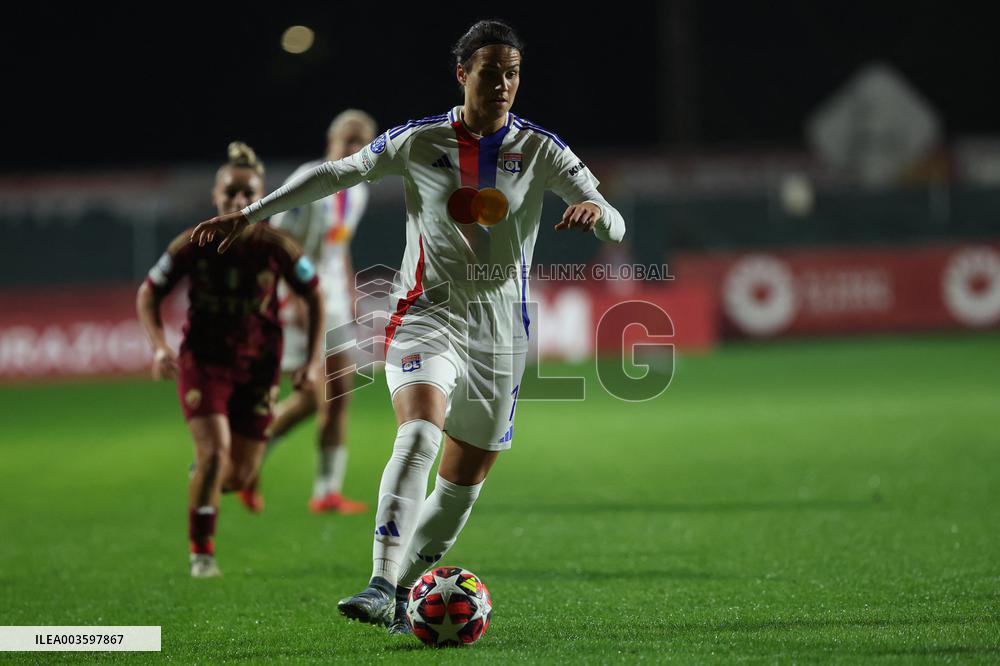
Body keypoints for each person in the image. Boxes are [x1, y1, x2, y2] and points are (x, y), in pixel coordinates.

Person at [191, 19, 625, 627]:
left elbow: (614, 219)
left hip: (501, 338)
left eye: (513, 72)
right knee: (419, 433)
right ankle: (379, 582)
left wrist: (597, 214)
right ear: (462, 74)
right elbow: (335, 173)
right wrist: (253, 215)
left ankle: (403, 593)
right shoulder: (419, 141)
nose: (503, 84)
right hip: (426, 317)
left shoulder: (543, 149)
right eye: (490, 71)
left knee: (461, 489)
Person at [138, 142, 323, 577]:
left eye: (248, 196)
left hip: (260, 363)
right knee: (215, 451)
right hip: (205, 359)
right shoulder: (192, 243)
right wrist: (160, 345)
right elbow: (149, 292)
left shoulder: (277, 246)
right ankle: (202, 554)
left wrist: (312, 360)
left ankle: (205, 472)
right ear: (215, 197)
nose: (238, 202)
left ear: (260, 200)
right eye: (230, 194)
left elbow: (314, 294)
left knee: (237, 476)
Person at [257, 110, 377, 515]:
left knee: (339, 395)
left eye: (362, 143)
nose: (354, 150)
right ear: (331, 141)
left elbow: (339, 246)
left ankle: (326, 492)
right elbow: (280, 241)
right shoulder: (309, 180)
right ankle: (244, 458)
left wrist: (350, 289)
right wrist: (293, 298)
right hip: (297, 296)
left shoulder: (358, 190)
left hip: (335, 299)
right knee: (312, 396)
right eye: (348, 141)